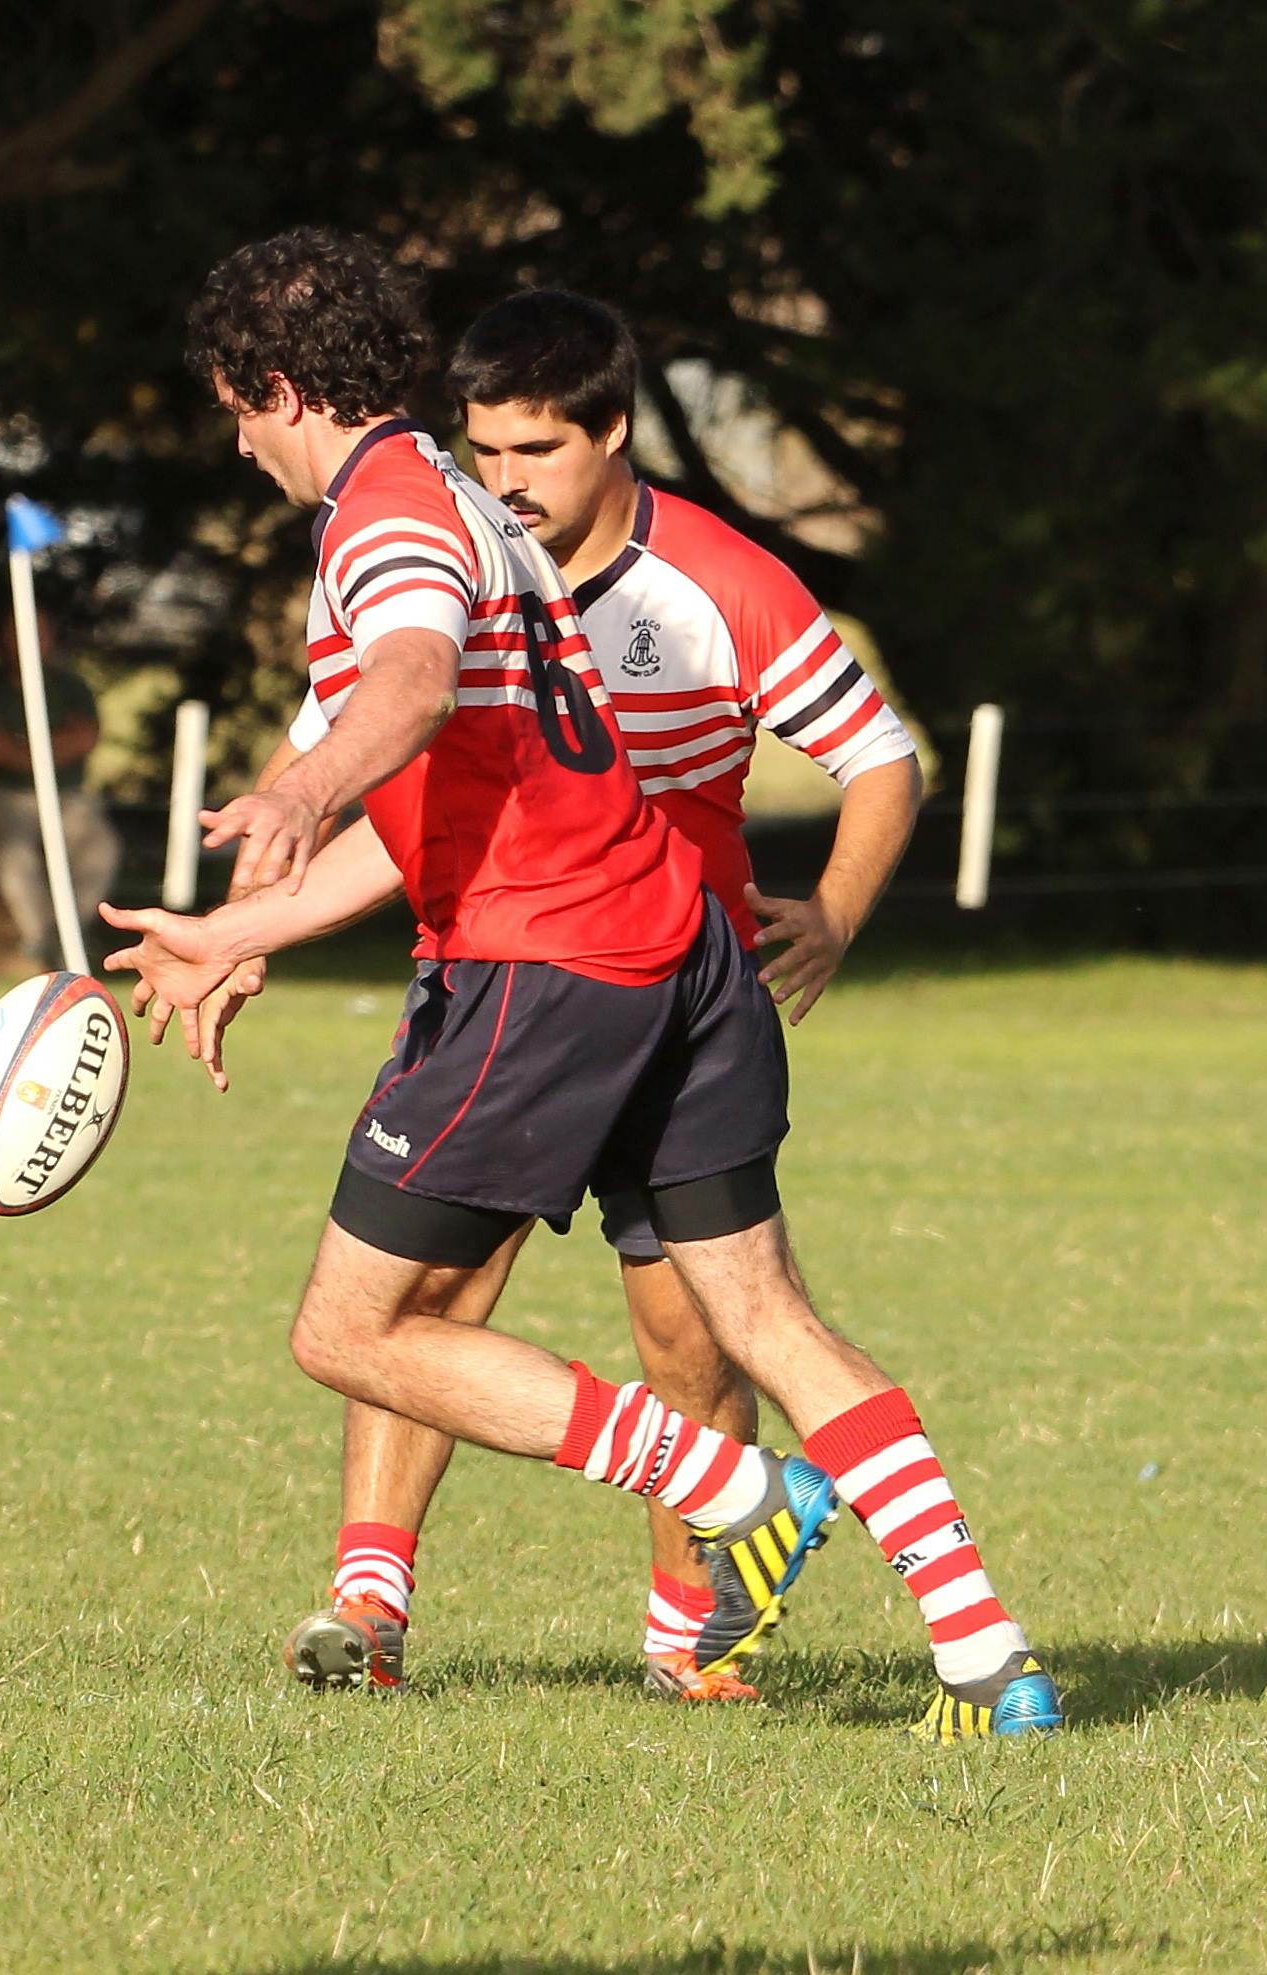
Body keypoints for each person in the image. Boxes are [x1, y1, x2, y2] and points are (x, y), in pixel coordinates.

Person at [101, 227, 1059, 1743]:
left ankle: (738, 1487)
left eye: (235, 410)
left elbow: (408, 684)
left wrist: (298, 792)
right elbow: (436, 797)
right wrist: (244, 929)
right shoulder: (470, 505)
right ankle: (990, 1657)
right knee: (761, 1314)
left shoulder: (390, 517)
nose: (237, 444)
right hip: (681, 948)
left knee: (350, 1328)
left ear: (277, 385)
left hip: (549, 962)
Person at [234, 289, 923, 1703]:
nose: (504, 478)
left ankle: (689, 1634)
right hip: (507, 968)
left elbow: (878, 753)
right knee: (427, 1287)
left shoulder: (718, 581)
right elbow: (352, 749)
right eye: (483, 446)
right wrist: (249, 920)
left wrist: (837, 910)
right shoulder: (449, 546)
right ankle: (371, 1601)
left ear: (612, 432)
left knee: (691, 1333)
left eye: (535, 449)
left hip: (677, 990)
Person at [0, 605, 120, 970]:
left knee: (102, 847)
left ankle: (67, 934)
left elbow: (84, 738)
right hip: (3, 798)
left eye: (38, 632)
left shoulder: (72, 688)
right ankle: (38, 939)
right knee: (13, 852)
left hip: (67, 799)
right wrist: (51, 750)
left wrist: (20, 750)